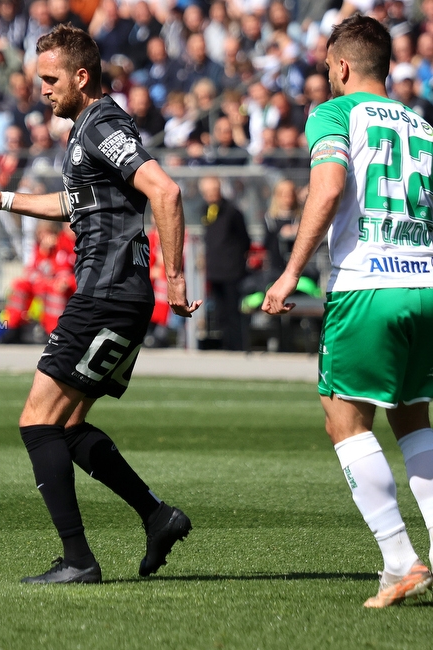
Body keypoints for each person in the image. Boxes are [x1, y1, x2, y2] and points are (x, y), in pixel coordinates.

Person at [0, 24, 200, 583]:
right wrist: (2, 199)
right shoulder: (88, 128)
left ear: (81, 77)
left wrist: (176, 277)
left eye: (50, 79)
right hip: (119, 297)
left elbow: (165, 189)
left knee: (37, 423)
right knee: (66, 427)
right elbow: (75, 203)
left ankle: (79, 560)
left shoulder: (103, 123)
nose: (42, 89)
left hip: (107, 295)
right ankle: (157, 516)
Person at [263, 15, 433, 608]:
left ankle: (398, 560)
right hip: (426, 284)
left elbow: (329, 187)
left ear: (340, 66)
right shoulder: (422, 124)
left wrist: (290, 272)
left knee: (345, 420)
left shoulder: (335, 114)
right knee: (414, 418)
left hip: (369, 287)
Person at [199, 176, 250, 351]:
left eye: (213, 190)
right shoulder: (206, 210)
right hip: (215, 270)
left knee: (232, 311)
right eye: (206, 192)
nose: (210, 195)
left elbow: (245, 240)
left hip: (231, 270)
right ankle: (225, 344)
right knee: (220, 312)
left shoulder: (233, 212)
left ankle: (236, 346)